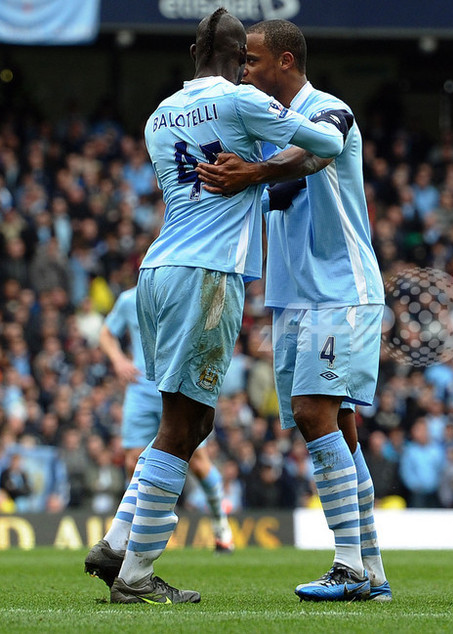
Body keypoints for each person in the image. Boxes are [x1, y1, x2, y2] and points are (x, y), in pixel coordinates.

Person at [82, 8, 343, 605]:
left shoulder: (157, 116)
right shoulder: (239, 100)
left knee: (194, 421)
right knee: (182, 424)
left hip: (157, 269)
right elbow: (329, 142)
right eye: (246, 60)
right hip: (208, 274)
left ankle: (118, 541)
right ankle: (136, 576)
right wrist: (256, 167)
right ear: (234, 59)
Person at [195, 19, 391, 602]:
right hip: (291, 296)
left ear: (284, 61)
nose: (243, 70)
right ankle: (373, 570)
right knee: (342, 430)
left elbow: (311, 155)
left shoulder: (332, 111)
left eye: (251, 61)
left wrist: (253, 172)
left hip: (339, 288)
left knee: (313, 414)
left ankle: (349, 566)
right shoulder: (258, 128)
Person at [86, 276, 235, 583]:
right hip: (141, 391)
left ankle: (221, 527)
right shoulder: (129, 299)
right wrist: (118, 360)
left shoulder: (183, 291)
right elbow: (105, 333)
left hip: (175, 384)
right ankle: (133, 537)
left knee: (199, 462)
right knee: (132, 461)